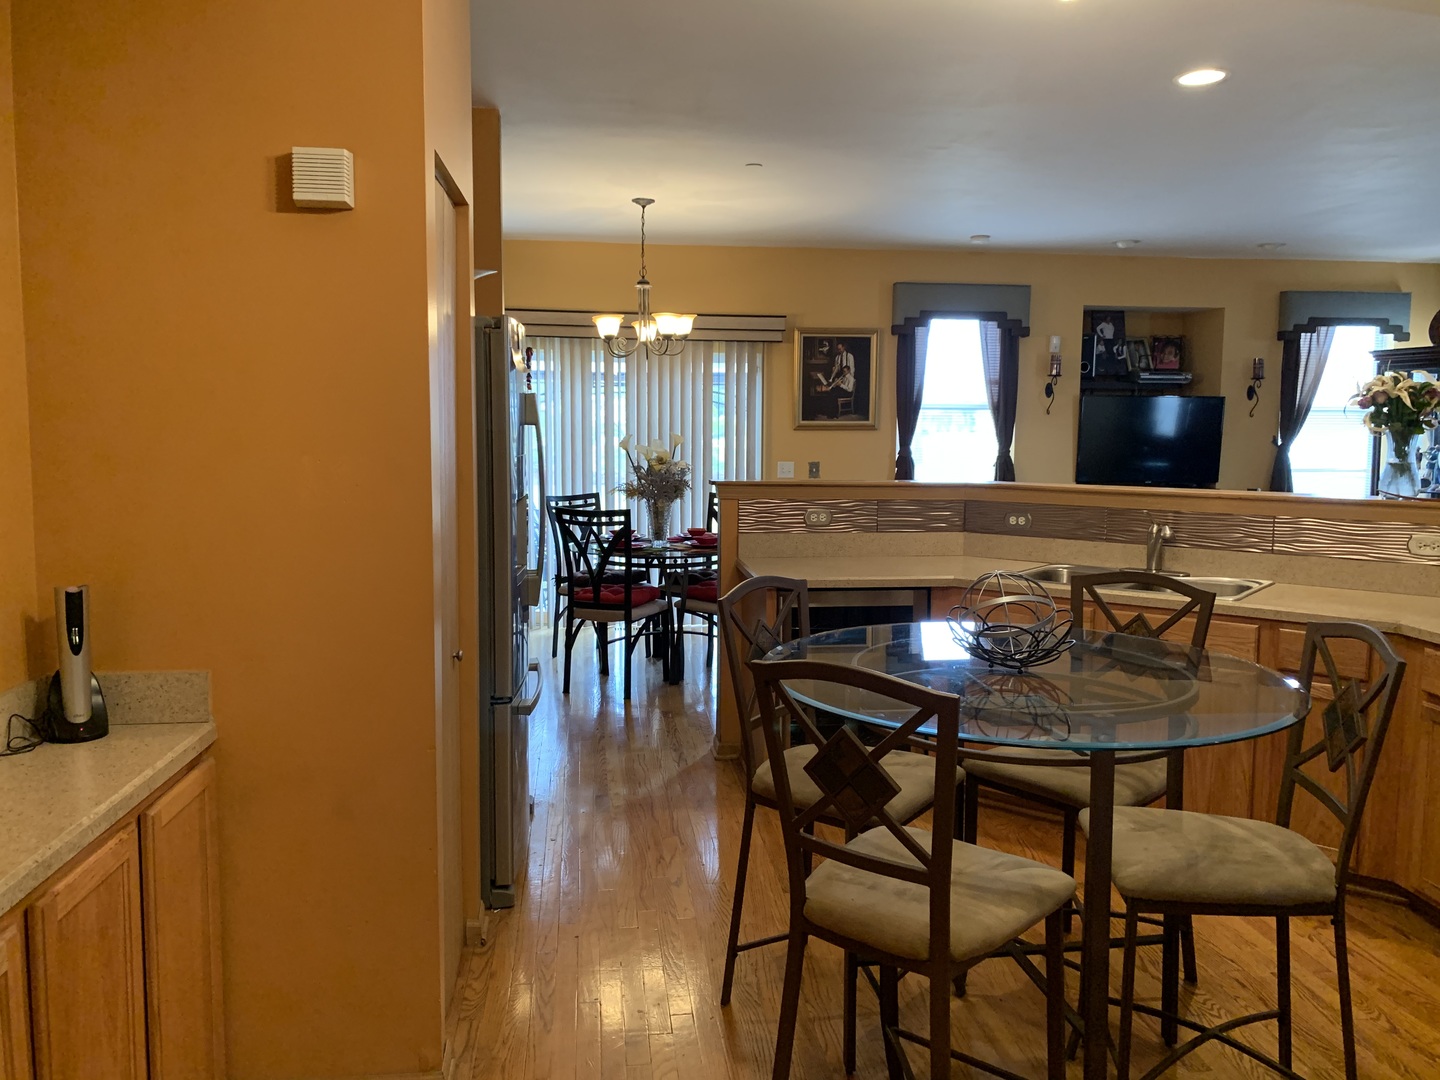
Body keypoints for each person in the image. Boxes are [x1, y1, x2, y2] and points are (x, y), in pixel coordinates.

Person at [812, 340, 857, 417]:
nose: (839, 351)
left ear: (844, 347)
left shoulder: (850, 356)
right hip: (840, 377)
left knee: (833, 392)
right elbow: (837, 369)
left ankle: (832, 413)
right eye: (838, 349)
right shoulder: (837, 357)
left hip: (846, 379)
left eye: (840, 349)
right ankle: (830, 412)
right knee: (831, 390)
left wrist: (849, 380)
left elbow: (852, 370)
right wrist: (834, 372)